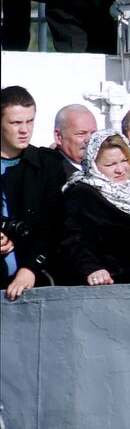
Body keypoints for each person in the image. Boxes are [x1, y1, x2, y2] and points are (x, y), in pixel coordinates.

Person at [58, 131, 130, 286]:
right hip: (116, 288)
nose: (120, 169)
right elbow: (75, 239)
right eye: (110, 165)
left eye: (124, 160)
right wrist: (91, 268)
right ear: (93, 165)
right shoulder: (84, 194)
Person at [2, 86, 67, 300]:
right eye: (16, 123)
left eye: (29, 121)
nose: (24, 130)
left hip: (32, 281)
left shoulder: (48, 165)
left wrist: (30, 267)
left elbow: (53, 223)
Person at [52, 104, 98, 176]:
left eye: (93, 133)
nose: (89, 140)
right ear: (59, 136)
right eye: (81, 134)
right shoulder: (51, 174)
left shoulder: (105, 167)